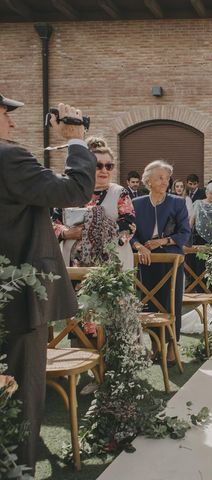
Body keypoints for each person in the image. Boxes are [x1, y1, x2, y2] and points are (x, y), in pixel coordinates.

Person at [0, 96, 95, 471]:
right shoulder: (8, 157)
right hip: (19, 296)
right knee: (23, 388)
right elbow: (74, 191)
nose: (13, 123)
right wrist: (75, 138)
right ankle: (17, 468)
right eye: (7, 114)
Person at [131, 160, 190, 365]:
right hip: (146, 261)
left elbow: (185, 233)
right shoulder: (136, 203)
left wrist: (163, 241)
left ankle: (173, 346)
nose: (165, 181)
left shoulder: (178, 202)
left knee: (171, 303)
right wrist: (140, 247)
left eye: (166, 177)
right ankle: (156, 347)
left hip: (171, 260)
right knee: (149, 303)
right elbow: (129, 234)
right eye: (160, 178)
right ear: (148, 181)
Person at [53, 137, 135, 270]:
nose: (104, 170)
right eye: (98, 165)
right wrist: (68, 233)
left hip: (111, 266)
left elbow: (129, 225)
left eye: (109, 166)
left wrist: (95, 230)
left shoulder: (120, 193)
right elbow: (53, 224)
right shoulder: (68, 192)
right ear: (86, 166)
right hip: (72, 266)